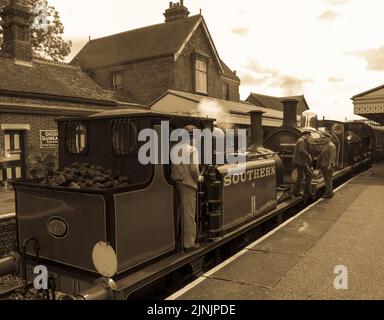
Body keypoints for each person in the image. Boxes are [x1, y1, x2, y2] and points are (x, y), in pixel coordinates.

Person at [171, 125, 202, 252]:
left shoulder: (174, 148)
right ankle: (189, 243)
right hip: (188, 184)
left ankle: (178, 240)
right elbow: (194, 170)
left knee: (178, 214)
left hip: (175, 184)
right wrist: (199, 178)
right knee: (189, 214)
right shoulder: (192, 150)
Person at [292, 130, 313, 197]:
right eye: (309, 135)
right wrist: (308, 155)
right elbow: (301, 150)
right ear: (306, 134)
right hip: (299, 161)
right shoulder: (301, 141)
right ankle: (296, 191)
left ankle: (307, 190)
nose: (309, 137)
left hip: (302, 161)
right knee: (300, 176)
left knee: (309, 174)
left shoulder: (302, 140)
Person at [320, 132, 336, 198]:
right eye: (324, 138)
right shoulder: (326, 145)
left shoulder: (331, 146)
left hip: (327, 165)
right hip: (324, 164)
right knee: (327, 179)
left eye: (325, 138)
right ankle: (329, 192)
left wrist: (330, 165)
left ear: (329, 138)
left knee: (328, 179)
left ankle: (328, 193)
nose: (324, 139)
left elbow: (332, 156)